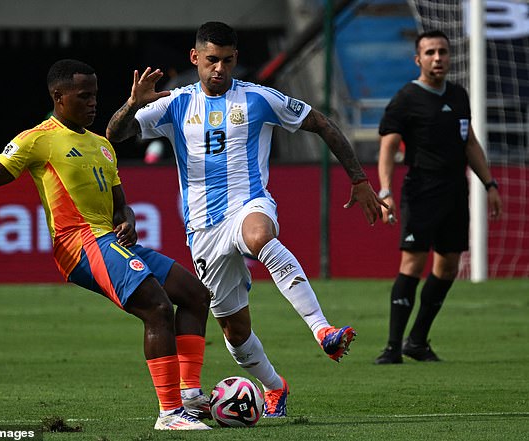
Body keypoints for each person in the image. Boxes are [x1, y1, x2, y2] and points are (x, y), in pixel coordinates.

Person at [0, 59, 213, 430]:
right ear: (58, 96)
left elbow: (122, 206)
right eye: (84, 96)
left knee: (195, 294)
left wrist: (128, 223)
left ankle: (190, 395)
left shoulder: (102, 146)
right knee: (157, 306)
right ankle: (169, 414)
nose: (93, 103)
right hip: (79, 243)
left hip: (111, 240)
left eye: (95, 95)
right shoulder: (37, 139)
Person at [106, 22, 385, 417]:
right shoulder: (175, 103)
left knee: (258, 235)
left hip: (248, 205)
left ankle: (323, 329)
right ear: (195, 58)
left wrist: (359, 179)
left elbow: (321, 123)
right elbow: (114, 134)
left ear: (236, 59)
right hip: (202, 229)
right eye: (211, 60)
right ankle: (275, 386)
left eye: (227, 60)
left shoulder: (258, 99)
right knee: (235, 333)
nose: (219, 68)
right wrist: (133, 104)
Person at [374, 30, 502, 364]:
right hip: (421, 192)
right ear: (418, 59)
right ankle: (392, 348)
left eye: (442, 52)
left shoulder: (459, 95)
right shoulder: (406, 99)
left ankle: (417, 341)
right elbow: (388, 147)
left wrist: (489, 185)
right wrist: (385, 191)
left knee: (448, 267)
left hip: (455, 193)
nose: (437, 58)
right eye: (430, 52)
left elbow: (470, 142)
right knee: (413, 263)